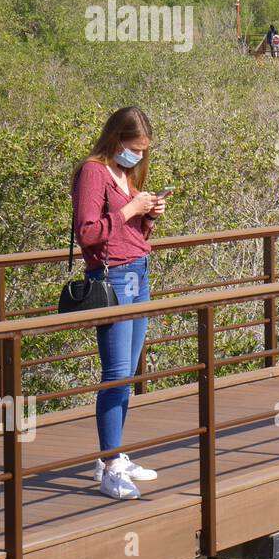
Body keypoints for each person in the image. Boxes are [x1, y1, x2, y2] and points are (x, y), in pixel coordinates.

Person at [72, 106, 167, 500]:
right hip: (113, 278)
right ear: (116, 139)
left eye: (144, 150)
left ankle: (114, 454)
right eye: (134, 148)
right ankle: (109, 466)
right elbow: (88, 232)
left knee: (128, 374)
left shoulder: (124, 172)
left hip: (139, 271)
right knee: (116, 373)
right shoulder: (93, 172)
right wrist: (130, 208)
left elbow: (128, 231)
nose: (139, 156)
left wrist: (149, 215)